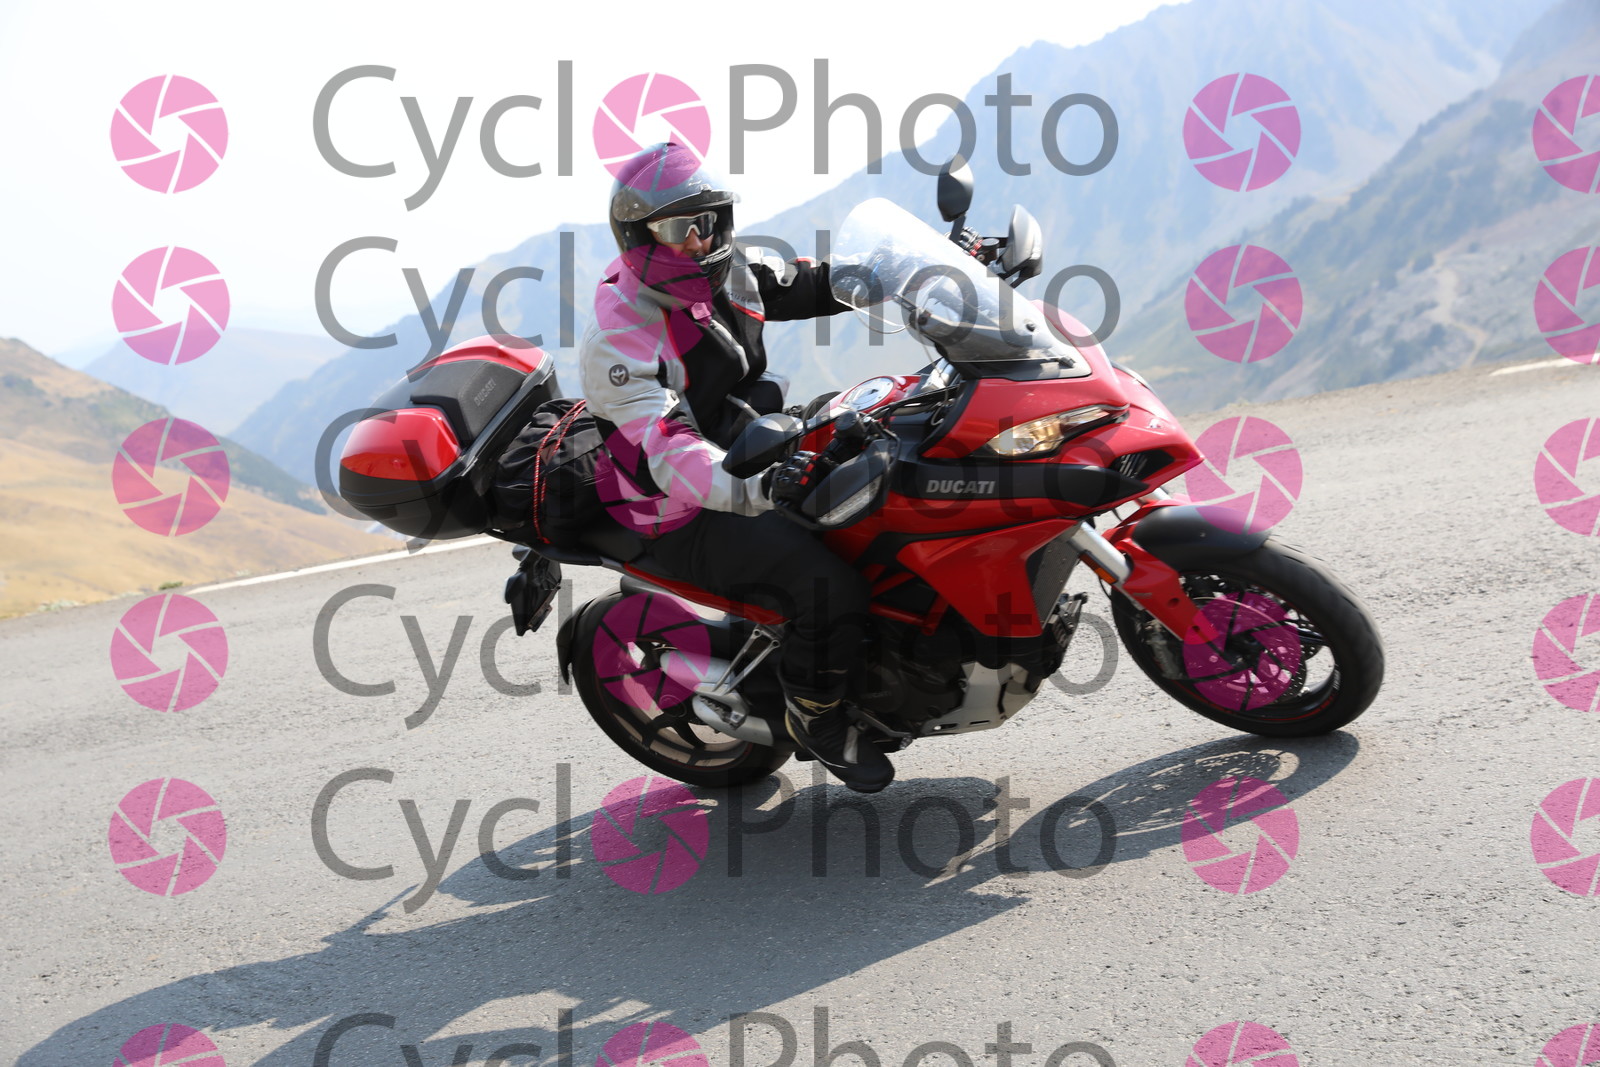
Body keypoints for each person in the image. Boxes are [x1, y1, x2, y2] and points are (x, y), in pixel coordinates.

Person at [579, 142, 892, 793]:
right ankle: (816, 714)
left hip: (751, 441)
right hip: (676, 506)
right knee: (826, 588)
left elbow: (809, 281)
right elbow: (668, 449)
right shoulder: (621, 333)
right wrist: (758, 487)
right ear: (639, 238)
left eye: (708, 222)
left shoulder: (729, 269)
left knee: (886, 466)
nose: (698, 241)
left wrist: (919, 276)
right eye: (677, 230)